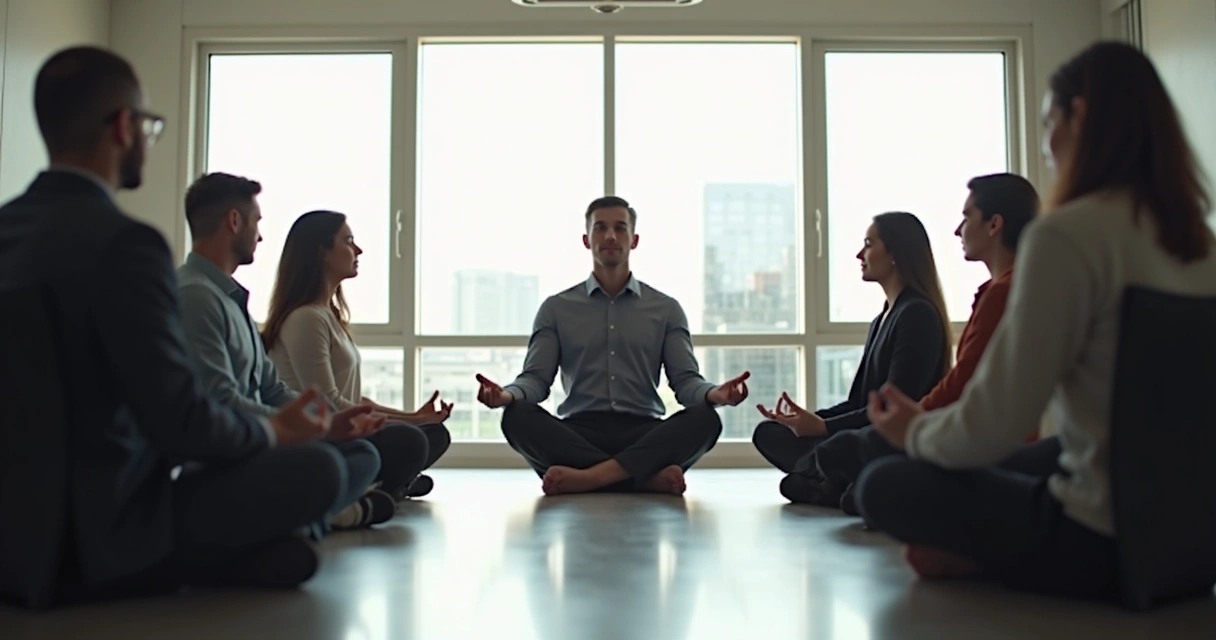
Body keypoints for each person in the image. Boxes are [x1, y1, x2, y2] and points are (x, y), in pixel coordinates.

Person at [858, 41, 1216, 600]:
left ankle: (985, 559)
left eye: (1050, 122)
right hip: (1193, 546)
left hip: (1103, 545)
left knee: (884, 483)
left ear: (1081, 116)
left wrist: (915, 433)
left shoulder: (1066, 236)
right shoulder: (1203, 245)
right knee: (1046, 454)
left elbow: (995, 421)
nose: (1049, 148)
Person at [0, 46, 357, 606]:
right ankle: (188, 561)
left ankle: (233, 555)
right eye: (149, 124)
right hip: (104, 531)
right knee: (316, 470)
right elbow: (180, 422)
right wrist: (275, 431)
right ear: (123, 127)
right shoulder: (127, 244)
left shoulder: (6, 229)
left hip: (13, 535)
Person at [176, 173, 425, 528]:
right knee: (331, 464)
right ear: (234, 221)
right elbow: (221, 400)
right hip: (234, 452)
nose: (260, 236)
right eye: (256, 223)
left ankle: (314, 515)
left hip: (264, 440)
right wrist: (294, 428)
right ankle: (322, 515)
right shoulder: (196, 297)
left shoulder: (233, 301)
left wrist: (324, 422)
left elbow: (274, 389)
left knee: (361, 453)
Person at [475, 196, 749, 496]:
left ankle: (590, 479)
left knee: (706, 419)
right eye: (600, 228)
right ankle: (642, 478)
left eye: (620, 228)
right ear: (586, 239)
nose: (610, 236)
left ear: (634, 240)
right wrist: (506, 395)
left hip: (644, 431)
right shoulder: (556, 309)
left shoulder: (666, 309)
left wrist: (715, 394)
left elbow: (685, 382)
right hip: (578, 432)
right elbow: (536, 380)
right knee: (516, 417)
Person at [814, 173, 1049, 515]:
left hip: (984, 441)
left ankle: (850, 484)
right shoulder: (997, 290)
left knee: (847, 454)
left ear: (994, 224)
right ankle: (847, 485)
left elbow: (963, 382)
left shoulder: (1002, 292)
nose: (957, 230)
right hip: (969, 430)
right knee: (848, 456)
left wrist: (917, 419)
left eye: (967, 217)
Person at [753, 211, 952, 505]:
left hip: (892, 441)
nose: (860, 253)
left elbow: (894, 408)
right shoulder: (882, 319)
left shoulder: (916, 314)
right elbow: (859, 402)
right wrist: (810, 420)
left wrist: (822, 429)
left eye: (869, 244)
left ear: (896, 252)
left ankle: (831, 478)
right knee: (768, 433)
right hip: (863, 434)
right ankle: (835, 481)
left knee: (835, 449)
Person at [263, 210, 453, 499]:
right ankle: (383, 486)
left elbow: (354, 402)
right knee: (411, 440)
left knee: (434, 434)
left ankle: (390, 484)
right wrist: (409, 424)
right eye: (348, 241)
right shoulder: (306, 319)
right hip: (322, 440)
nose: (358, 250)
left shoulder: (329, 315)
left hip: (345, 428)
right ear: (322, 253)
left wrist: (416, 416)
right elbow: (331, 404)